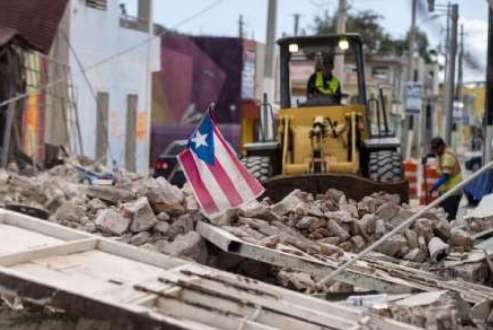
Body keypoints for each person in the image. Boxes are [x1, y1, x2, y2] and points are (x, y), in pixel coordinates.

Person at [423, 137, 463, 221]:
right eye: (433, 149)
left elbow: (446, 176)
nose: (434, 151)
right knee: (443, 214)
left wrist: (434, 186)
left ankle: (451, 232)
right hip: (446, 190)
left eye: (435, 149)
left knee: (449, 216)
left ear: (441, 147)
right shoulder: (440, 154)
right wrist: (426, 157)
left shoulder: (447, 156)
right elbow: (434, 156)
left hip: (453, 190)